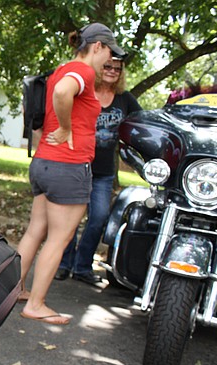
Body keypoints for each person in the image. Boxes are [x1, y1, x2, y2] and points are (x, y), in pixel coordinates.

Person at [17, 23, 126, 325]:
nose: (110, 61)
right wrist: (65, 128)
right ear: (98, 46)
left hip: (44, 164)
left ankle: (17, 289)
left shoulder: (60, 69)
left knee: (35, 231)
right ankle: (36, 304)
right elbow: (65, 93)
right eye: (109, 52)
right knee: (59, 238)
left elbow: (56, 94)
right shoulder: (84, 71)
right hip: (68, 166)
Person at [56, 58, 142, 285]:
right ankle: (64, 263)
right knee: (69, 219)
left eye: (117, 68)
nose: (112, 71)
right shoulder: (84, 90)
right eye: (108, 67)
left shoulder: (125, 99)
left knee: (99, 218)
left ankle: (82, 266)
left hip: (104, 172)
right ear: (99, 68)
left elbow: (141, 122)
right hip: (78, 164)